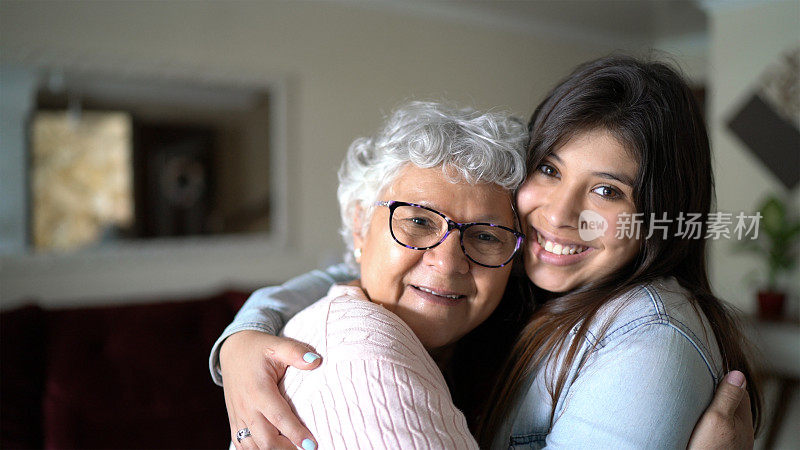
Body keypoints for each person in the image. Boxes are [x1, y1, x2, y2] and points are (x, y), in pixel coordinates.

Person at [211, 56, 760, 449]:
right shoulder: (528, 264)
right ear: (360, 224)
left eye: (608, 190)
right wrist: (241, 341)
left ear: (659, 218)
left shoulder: (649, 342)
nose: (558, 215)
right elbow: (360, 272)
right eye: (549, 169)